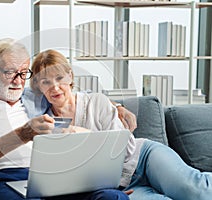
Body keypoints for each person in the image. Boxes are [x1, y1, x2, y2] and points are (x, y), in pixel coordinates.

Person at [0, 38, 136, 200]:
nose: (18, 81)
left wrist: (117, 106)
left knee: (112, 197)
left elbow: (68, 90)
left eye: (23, 73)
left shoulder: (34, 97)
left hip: (51, 179)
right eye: (9, 73)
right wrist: (24, 134)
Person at [30, 49, 212, 200]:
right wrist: (109, 190)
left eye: (59, 78)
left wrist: (79, 132)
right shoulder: (46, 125)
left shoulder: (97, 102)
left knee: (194, 190)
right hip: (118, 184)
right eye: (46, 81)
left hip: (144, 158)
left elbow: (125, 147)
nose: (54, 87)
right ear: (38, 86)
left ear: (70, 76)